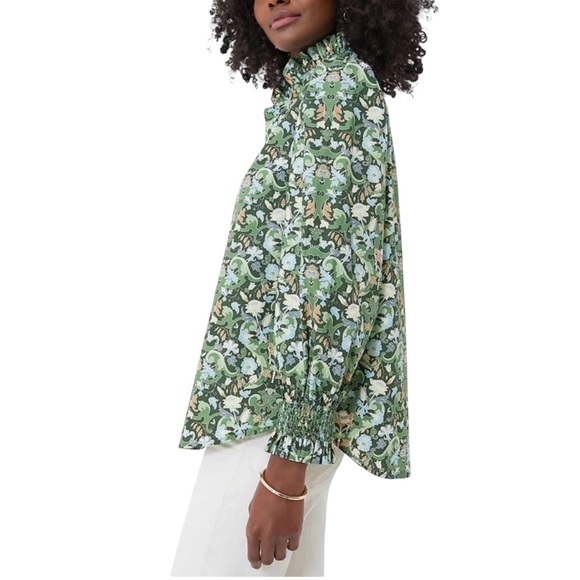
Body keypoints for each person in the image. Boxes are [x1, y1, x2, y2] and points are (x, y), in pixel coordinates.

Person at [171, 0, 437, 576]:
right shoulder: (314, 89)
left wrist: (285, 466)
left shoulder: (335, 90)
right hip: (291, 421)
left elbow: (333, 281)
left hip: (277, 418)